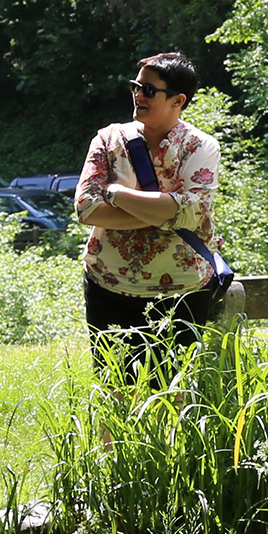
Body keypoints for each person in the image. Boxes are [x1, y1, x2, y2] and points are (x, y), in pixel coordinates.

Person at [74, 51, 224, 378]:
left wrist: (115, 194)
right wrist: (163, 210)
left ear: (178, 100)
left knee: (176, 393)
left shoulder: (201, 147)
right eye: (135, 87)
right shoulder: (108, 139)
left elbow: (190, 215)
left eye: (149, 90)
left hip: (182, 293)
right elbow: (86, 207)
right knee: (115, 391)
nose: (138, 95)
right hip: (107, 287)